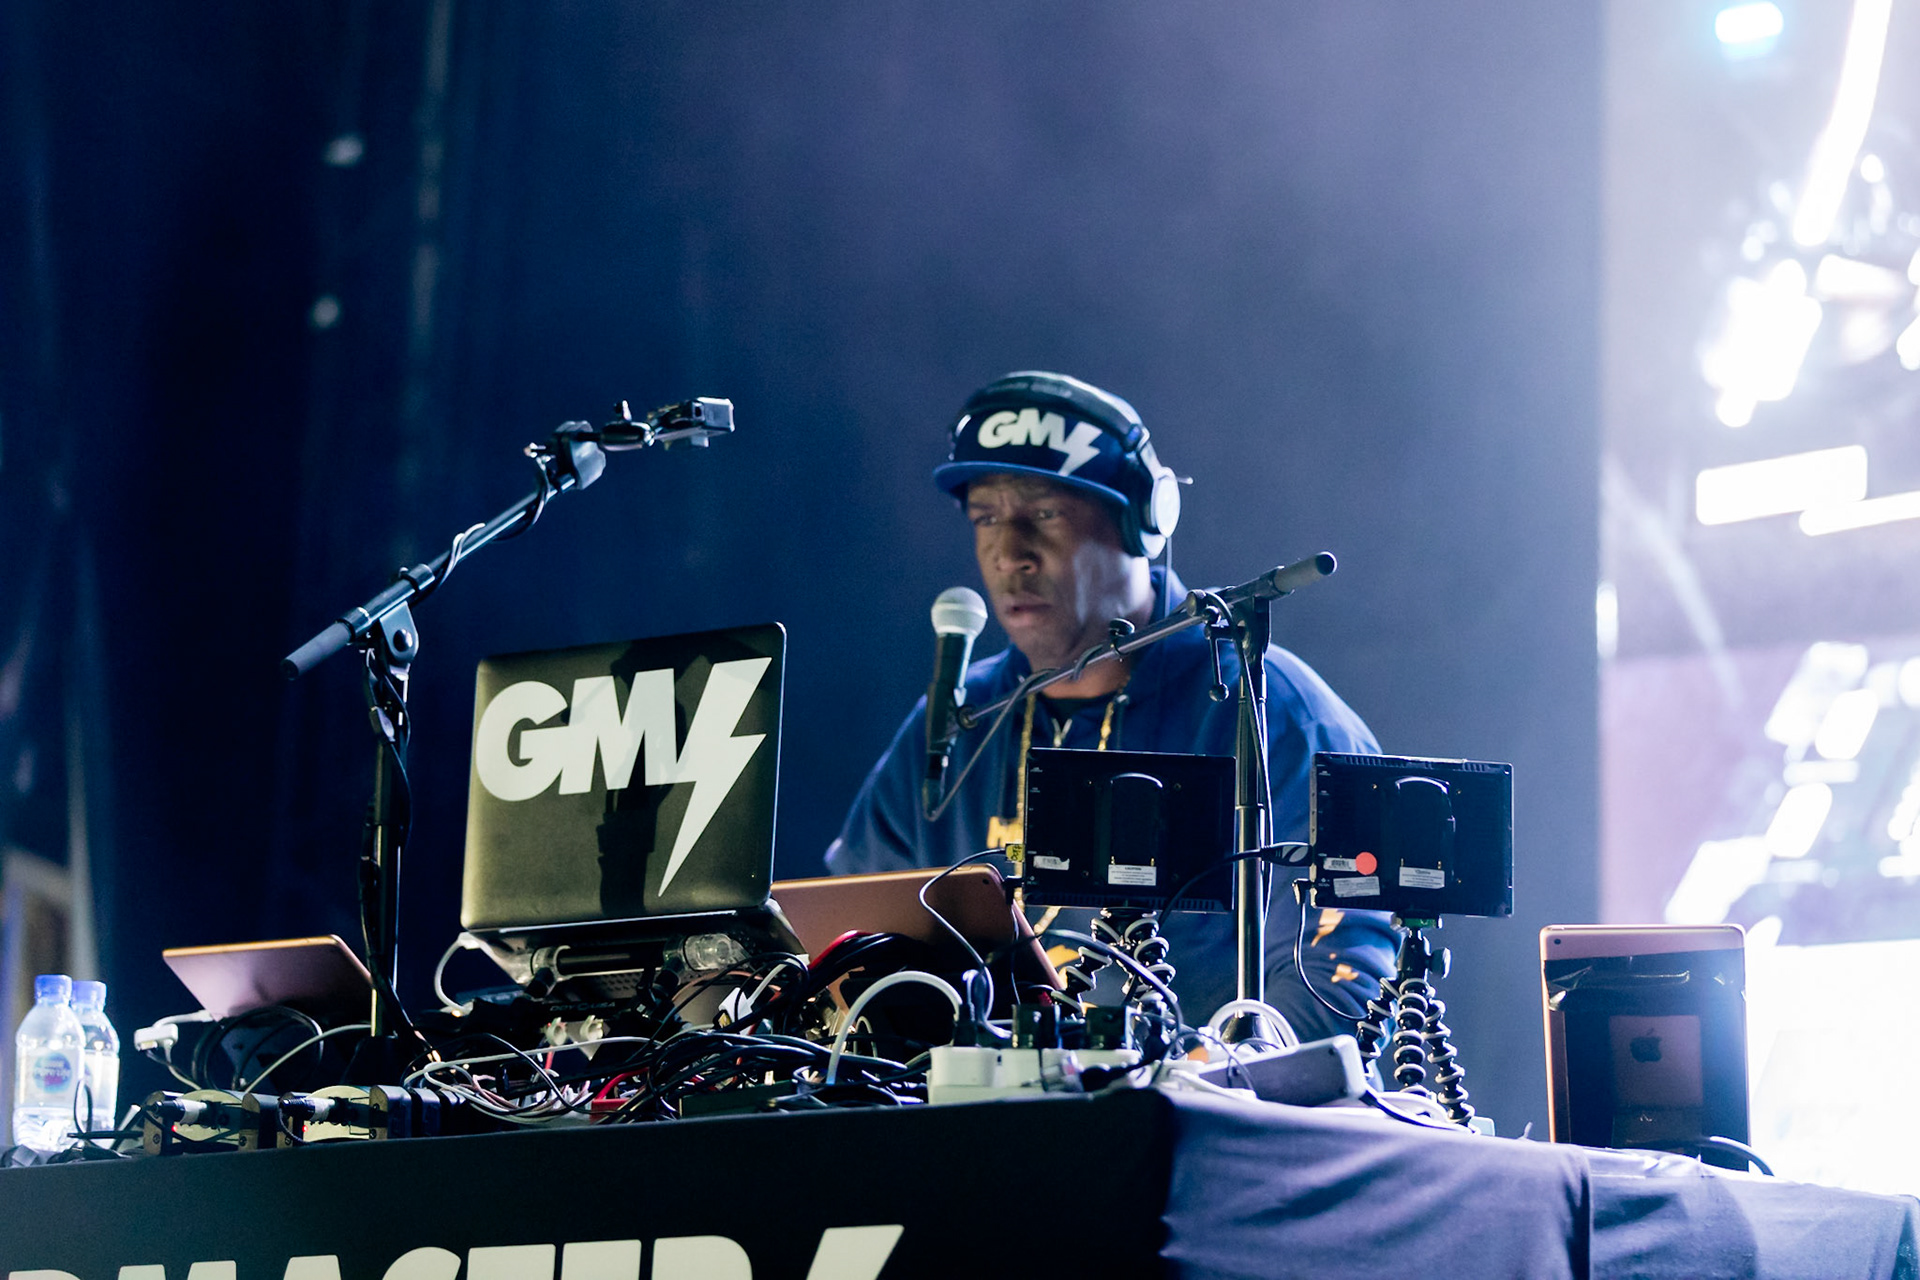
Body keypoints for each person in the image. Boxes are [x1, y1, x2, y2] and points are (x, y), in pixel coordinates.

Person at [824, 371, 1394, 1042]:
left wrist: (1223, 1076)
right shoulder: (954, 720)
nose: (1010, 553)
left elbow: (1341, 968)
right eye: (986, 518)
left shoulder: (1275, 712)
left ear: (1142, 524)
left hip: (1198, 1131)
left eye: (1045, 514)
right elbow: (848, 937)